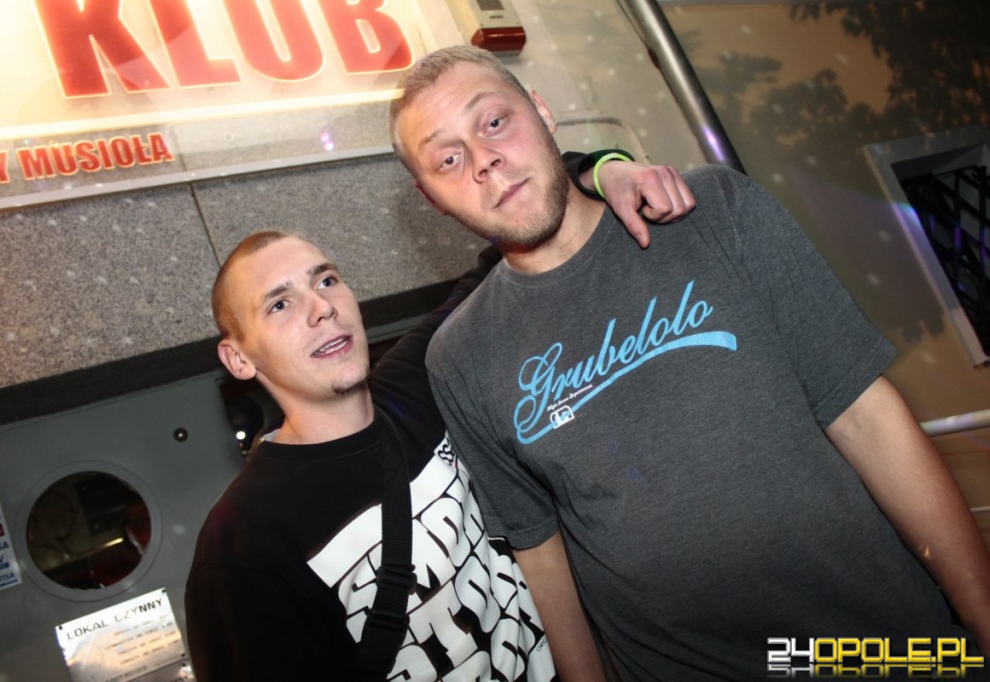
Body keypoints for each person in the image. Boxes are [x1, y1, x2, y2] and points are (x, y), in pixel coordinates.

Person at [389, 45, 990, 680]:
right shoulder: (459, 357)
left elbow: (866, 415)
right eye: (448, 159)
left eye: (494, 122)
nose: (484, 160)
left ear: (542, 111)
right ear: (432, 198)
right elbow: (541, 554)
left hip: (881, 650)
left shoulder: (710, 210)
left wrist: (981, 614)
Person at [184, 152, 696, 681]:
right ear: (238, 358)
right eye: (279, 305)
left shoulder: (420, 380)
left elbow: (506, 242)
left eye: (327, 280)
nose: (321, 308)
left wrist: (602, 168)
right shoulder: (242, 546)